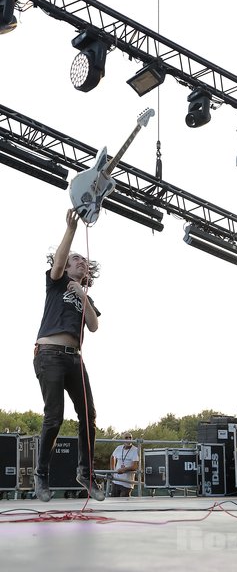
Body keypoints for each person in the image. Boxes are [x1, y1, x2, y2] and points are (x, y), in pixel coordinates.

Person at [33, 209, 104, 502]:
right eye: (77, 259)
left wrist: (82, 295)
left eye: (83, 261)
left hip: (74, 358)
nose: (81, 261)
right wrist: (71, 230)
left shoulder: (81, 293)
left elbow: (94, 325)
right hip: (49, 353)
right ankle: (41, 474)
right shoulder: (57, 282)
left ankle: (85, 473)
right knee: (54, 416)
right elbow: (59, 262)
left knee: (88, 414)